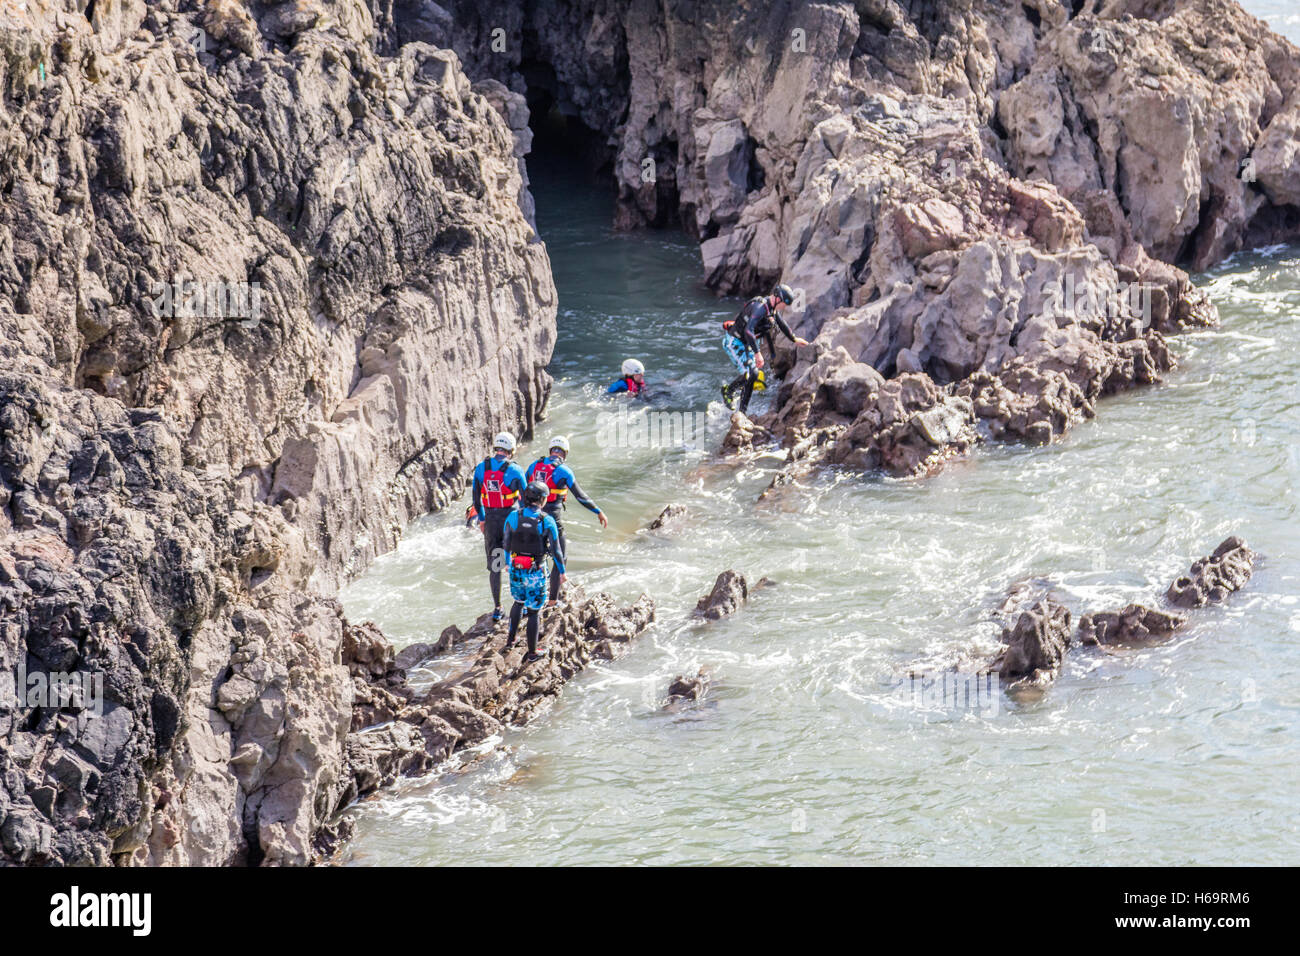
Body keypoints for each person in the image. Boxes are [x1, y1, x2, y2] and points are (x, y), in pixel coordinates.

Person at [525, 435, 607, 606]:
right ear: (565, 453)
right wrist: (598, 511)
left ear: (551, 450)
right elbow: (581, 496)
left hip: (531, 519)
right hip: (552, 521)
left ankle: (529, 599)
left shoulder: (534, 465)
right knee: (560, 556)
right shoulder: (564, 471)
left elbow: (522, 488)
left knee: (533, 558)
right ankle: (552, 601)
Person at [502, 481, 566, 662]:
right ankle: (532, 653)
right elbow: (556, 550)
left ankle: (511, 639)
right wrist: (562, 572)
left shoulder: (513, 516)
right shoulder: (547, 520)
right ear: (543, 500)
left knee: (517, 602)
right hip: (535, 571)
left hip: (516, 567)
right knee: (533, 612)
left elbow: (506, 543)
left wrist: (507, 563)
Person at [720, 283, 809, 412]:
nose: (784, 307)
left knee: (752, 375)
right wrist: (757, 353)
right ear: (777, 298)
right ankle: (735, 402)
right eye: (784, 303)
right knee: (751, 374)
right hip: (734, 342)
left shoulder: (771, 308)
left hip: (746, 343)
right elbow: (748, 331)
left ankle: (737, 404)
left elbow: (781, 323)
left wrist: (794, 339)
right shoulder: (760, 308)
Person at [470, 432, 527, 621]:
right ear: (511, 450)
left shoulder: (480, 468)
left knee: (496, 565)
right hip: (510, 520)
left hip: (491, 523)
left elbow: (476, 501)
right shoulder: (516, 470)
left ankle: (497, 608)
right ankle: (521, 604)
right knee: (516, 561)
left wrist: (483, 520)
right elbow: (526, 500)